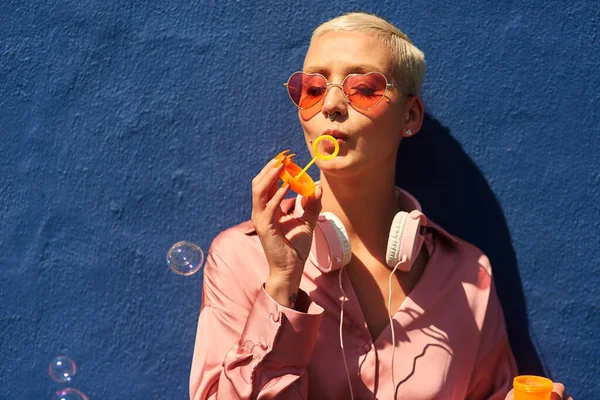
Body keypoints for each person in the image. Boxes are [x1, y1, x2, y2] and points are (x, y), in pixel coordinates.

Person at [189, 12, 571, 400]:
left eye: (364, 88)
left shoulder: (468, 276)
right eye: (314, 88)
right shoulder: (241, 258)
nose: (332, 105)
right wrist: (282, 288)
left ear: (410, 115)